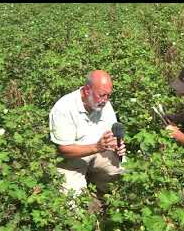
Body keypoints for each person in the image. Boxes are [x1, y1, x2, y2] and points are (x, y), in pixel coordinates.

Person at [49, 70, 126, 198]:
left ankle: (100, 189)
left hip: (100, 152)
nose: (105, 100)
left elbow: (112, 135)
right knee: (72, 200)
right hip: (73, 159)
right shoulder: (63, 108)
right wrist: (97, 147)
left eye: (108, 95)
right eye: (101, 95)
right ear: (87, 91)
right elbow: (63, 150)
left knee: (122, 176)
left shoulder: (105, 105)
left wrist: (117, 145)